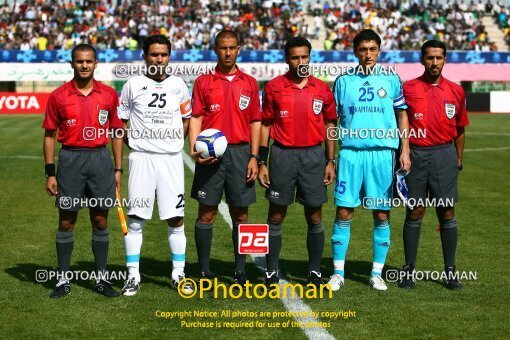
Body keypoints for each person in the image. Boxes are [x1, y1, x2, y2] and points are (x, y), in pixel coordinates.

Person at [328, 29, 411, 291]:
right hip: (351, 153)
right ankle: (338, 273)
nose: (368, 55)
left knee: (382, 214)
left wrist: (405, 150)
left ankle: (376, 273)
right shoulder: (343, 81)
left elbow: (402, 115)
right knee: (343, 211)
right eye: (363, 50)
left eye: (372, 49)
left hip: (382, 154)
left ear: (379, 51)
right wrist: (329, 158)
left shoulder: (391, 80)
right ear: (355, 52)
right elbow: (333, 121)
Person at [43, 43, 123, 298]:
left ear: (96, 63)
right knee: (67, 221)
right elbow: (49, 135)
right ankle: (62, 279)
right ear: (72, 64)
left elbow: (117, 133)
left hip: (100, 161)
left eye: (89, 61)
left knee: (100, 220)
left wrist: (118, 168)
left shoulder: (109, 94)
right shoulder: (58, 96)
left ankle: (101, 278)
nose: (84, 65)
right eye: (79, 61)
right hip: (70, 160)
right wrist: (50, 172)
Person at [258, 37, 337, 287]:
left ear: (310, 57)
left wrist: (330, 160)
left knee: (314, 216)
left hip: (314, 157)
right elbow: (266, 124)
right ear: (286, 59)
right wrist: (261, 161)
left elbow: (330, 125)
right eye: (295, 57)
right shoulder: (274, 87)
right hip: (282, 156)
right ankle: (271, 271)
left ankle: (314, 272)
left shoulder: (322, 88)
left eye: (304, 56)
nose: (300, 61)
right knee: (276, 215)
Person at [117, 35, 193, 296]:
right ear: (145, 57)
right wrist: (131, 148)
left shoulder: (179, 86)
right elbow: (121, 124)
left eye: (163, 54)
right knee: (136, 219)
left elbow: (186, 119)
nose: (158, 59)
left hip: (171, 160)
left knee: (176, 218)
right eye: (153, 54)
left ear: (169, 56)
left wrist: (173, 142)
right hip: (141, 159)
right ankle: (133, 276)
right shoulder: (132, 85)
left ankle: (178, 273)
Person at [189, 30, 261, 286]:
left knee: (241, 214)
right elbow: (196, 117)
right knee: (206, 213)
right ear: (215, 50)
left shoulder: (250, 82)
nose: (228, 52)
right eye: (223, 48)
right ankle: (204, 270)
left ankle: (240, 270)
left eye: (232, 47)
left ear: (239, 49)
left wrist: (255, 156)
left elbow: (255, 121)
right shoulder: (203, 82)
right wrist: (194, 149)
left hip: (241, 153)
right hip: (210, 155)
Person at [398, 40, 469, 290]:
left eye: (439, 57)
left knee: (446, 212)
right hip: (416, 155)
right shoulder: (408, 88)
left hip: (443, 156)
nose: (434, 62)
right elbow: (400, 121)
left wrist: (458, 158)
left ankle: (450, 272)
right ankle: (408, 272)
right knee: (415, 211)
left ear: (445, 60)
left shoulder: (456, 91)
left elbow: (460, 128)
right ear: (422, 59)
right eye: (430, 58)